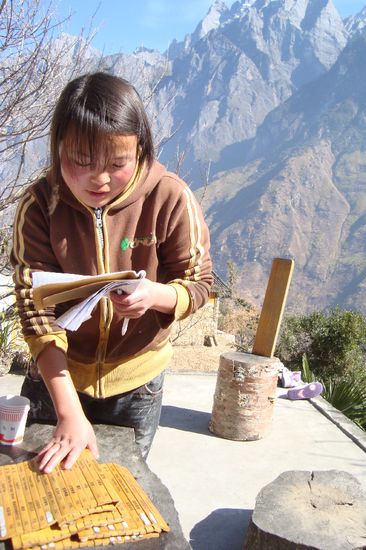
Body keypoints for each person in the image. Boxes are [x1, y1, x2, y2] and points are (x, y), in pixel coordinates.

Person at [10, 72, 212, 473]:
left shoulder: (169, 197)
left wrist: (156, 296)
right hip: (56, 380)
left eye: (117, 163)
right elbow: (36, 311)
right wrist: (68, 411)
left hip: (137, 386)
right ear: (58, 148)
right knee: (45, 485)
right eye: (80, 162)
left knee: (123, 489)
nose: (99, 178)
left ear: (141, 149)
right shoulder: (40, 206)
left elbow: (199, 283)